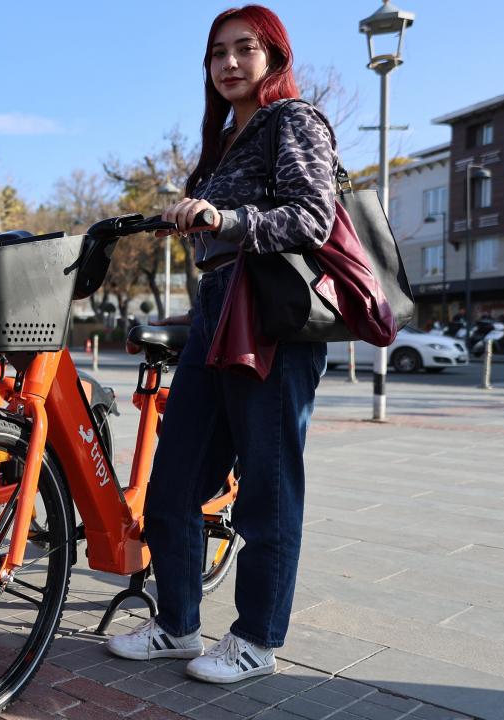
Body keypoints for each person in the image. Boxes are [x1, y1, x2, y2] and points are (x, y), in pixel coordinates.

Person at [106, 5, 334, 684]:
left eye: (244, 50)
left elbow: (313, 215)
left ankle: (256, 639)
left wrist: (226, 217)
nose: (229, 63)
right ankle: (176, 624)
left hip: (271, 317)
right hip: (217, 309)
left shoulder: (295, 121)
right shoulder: (223, 142)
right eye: (217, 54)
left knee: (267, 484)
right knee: (172, 481)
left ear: (274, 58)